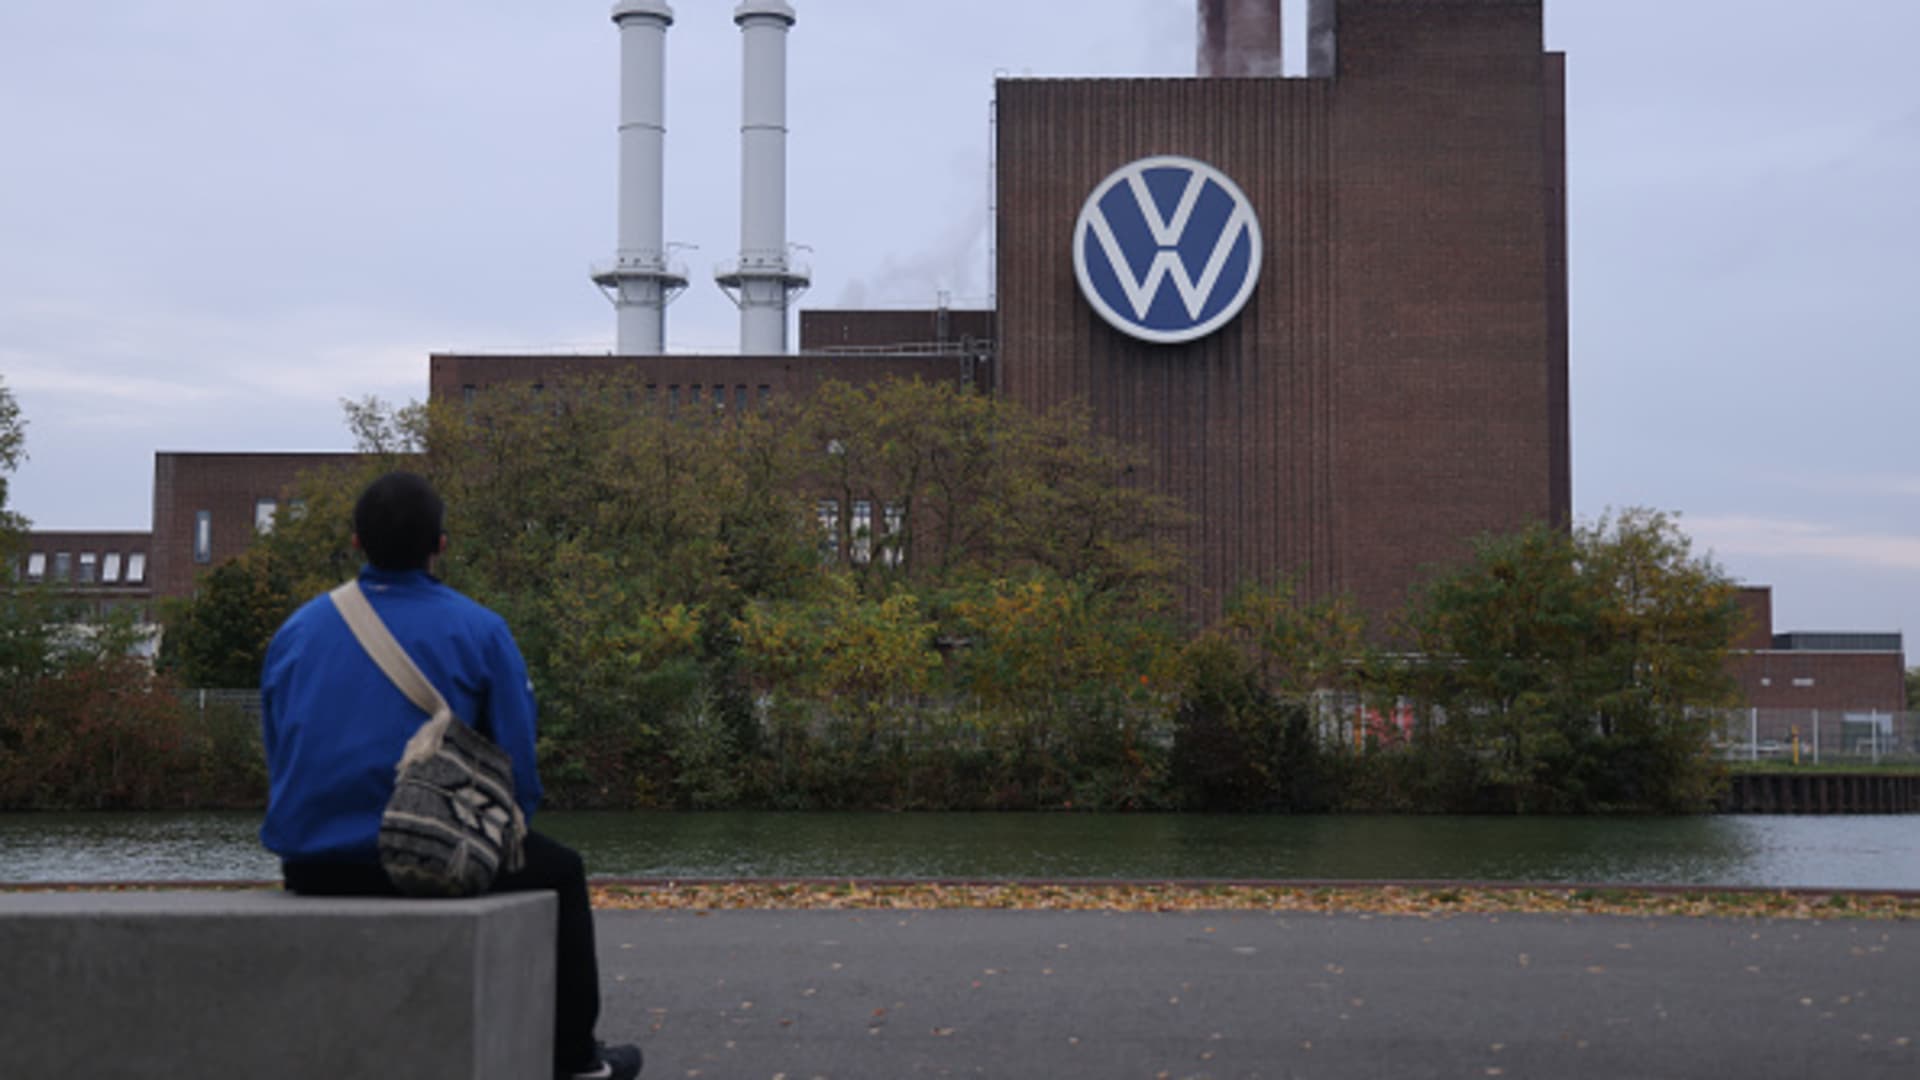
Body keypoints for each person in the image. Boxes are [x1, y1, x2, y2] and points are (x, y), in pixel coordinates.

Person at [259, 471, 642, 1080]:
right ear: (440, 545)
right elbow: (518, 771)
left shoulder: (296, 633)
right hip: (431, 858)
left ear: (356, 542)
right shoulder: (480, 630)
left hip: (313, 864)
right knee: (563, 871)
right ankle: (575, 1060)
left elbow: (279, 750)